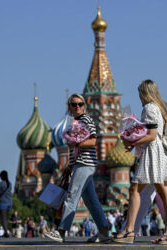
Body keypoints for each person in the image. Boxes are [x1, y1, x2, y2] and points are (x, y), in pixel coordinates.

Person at [113, 80, 167, 244]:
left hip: (152, 152)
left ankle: (129, 231)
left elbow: (151, 134)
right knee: (164, 192)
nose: (140, 98)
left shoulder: (149, 108)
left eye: (140, 94)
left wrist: (131, 141)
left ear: (144, 93)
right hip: (160, 152)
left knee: (135, 189)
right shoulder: (159, 108)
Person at [44, 93, 110, 243]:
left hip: (86, 164)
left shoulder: (86, 119)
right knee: (91, 201)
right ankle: (104, 232)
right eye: (74, 104)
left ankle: (60, 232)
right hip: (81, 164)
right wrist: (70, 166)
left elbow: (93, 141)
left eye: (80, 104)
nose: (77, 107)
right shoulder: (75, 122)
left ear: (84, 106)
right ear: (69, 107)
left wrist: (77, 144)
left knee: (71, 196)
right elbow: (75, 149)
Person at [0, 170, 12, 238]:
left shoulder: (1, 184)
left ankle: (6, 232)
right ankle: (6, 231)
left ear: (1, 176)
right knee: (6, 218)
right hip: (10, 202)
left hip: (3, 202)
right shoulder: (10, 183)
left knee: (3, 219)